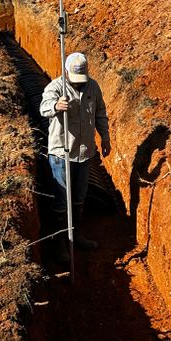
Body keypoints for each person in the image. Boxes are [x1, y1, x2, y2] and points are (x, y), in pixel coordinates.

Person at [39, 51, 111, 262]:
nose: (79, 84)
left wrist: (105, 137)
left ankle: (76, 235)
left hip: (84, 152)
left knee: (79, 197)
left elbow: (100, 113)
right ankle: (62, 242)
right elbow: (43, 107)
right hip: (62, 153)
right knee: (62, 199)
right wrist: (55, 106)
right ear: (67, 72)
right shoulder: (56, 87)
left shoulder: (93, 87)